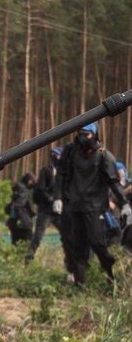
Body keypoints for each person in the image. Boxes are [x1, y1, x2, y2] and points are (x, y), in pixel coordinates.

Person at [53, 123, 132, 286]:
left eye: (87, 135)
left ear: (95, 135)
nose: (83, 138)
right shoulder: (70, 151)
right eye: (80, 134)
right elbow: (61, 174)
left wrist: (124, 204)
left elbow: (113, 182)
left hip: (95, 208)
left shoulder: (104, 155)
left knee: (97, 243)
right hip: (74, 206)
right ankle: (80, 283)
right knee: (76, 245)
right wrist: (57, 197)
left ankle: (111, 277)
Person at [29, 147, 61, 259]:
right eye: (53, 155)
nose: (55, 157)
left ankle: (72, 266)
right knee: (38, 235)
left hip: (60, 211)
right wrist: (51, 200)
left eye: (57, 155)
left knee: (69, 236)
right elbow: (40, 189)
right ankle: (28, 260)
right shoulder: (46, 171)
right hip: (46, 210)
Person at [6, 173, 35, 246]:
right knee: (29, 244)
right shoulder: (23, 189)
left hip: (13, 223)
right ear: (28, 181)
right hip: (23, 224)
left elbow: (11, 207)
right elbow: (19, 205)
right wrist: (23, 220)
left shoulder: (17, 190)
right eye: (32, 181)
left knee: (15, 245)